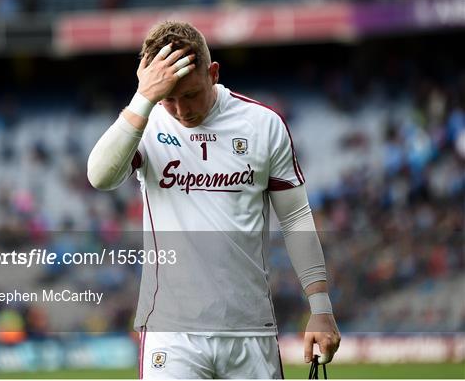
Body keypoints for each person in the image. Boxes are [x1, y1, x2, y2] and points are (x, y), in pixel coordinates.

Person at [87, 21, 340, 379]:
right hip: (171, 332)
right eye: (168, 98)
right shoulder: (147, 123)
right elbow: (99, 176)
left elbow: (295, 218)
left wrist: (320, 307)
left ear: (213, 73)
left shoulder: (262, 125)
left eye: (190, 94)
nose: (181, 110)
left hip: (250, 329)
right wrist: (144, 99)